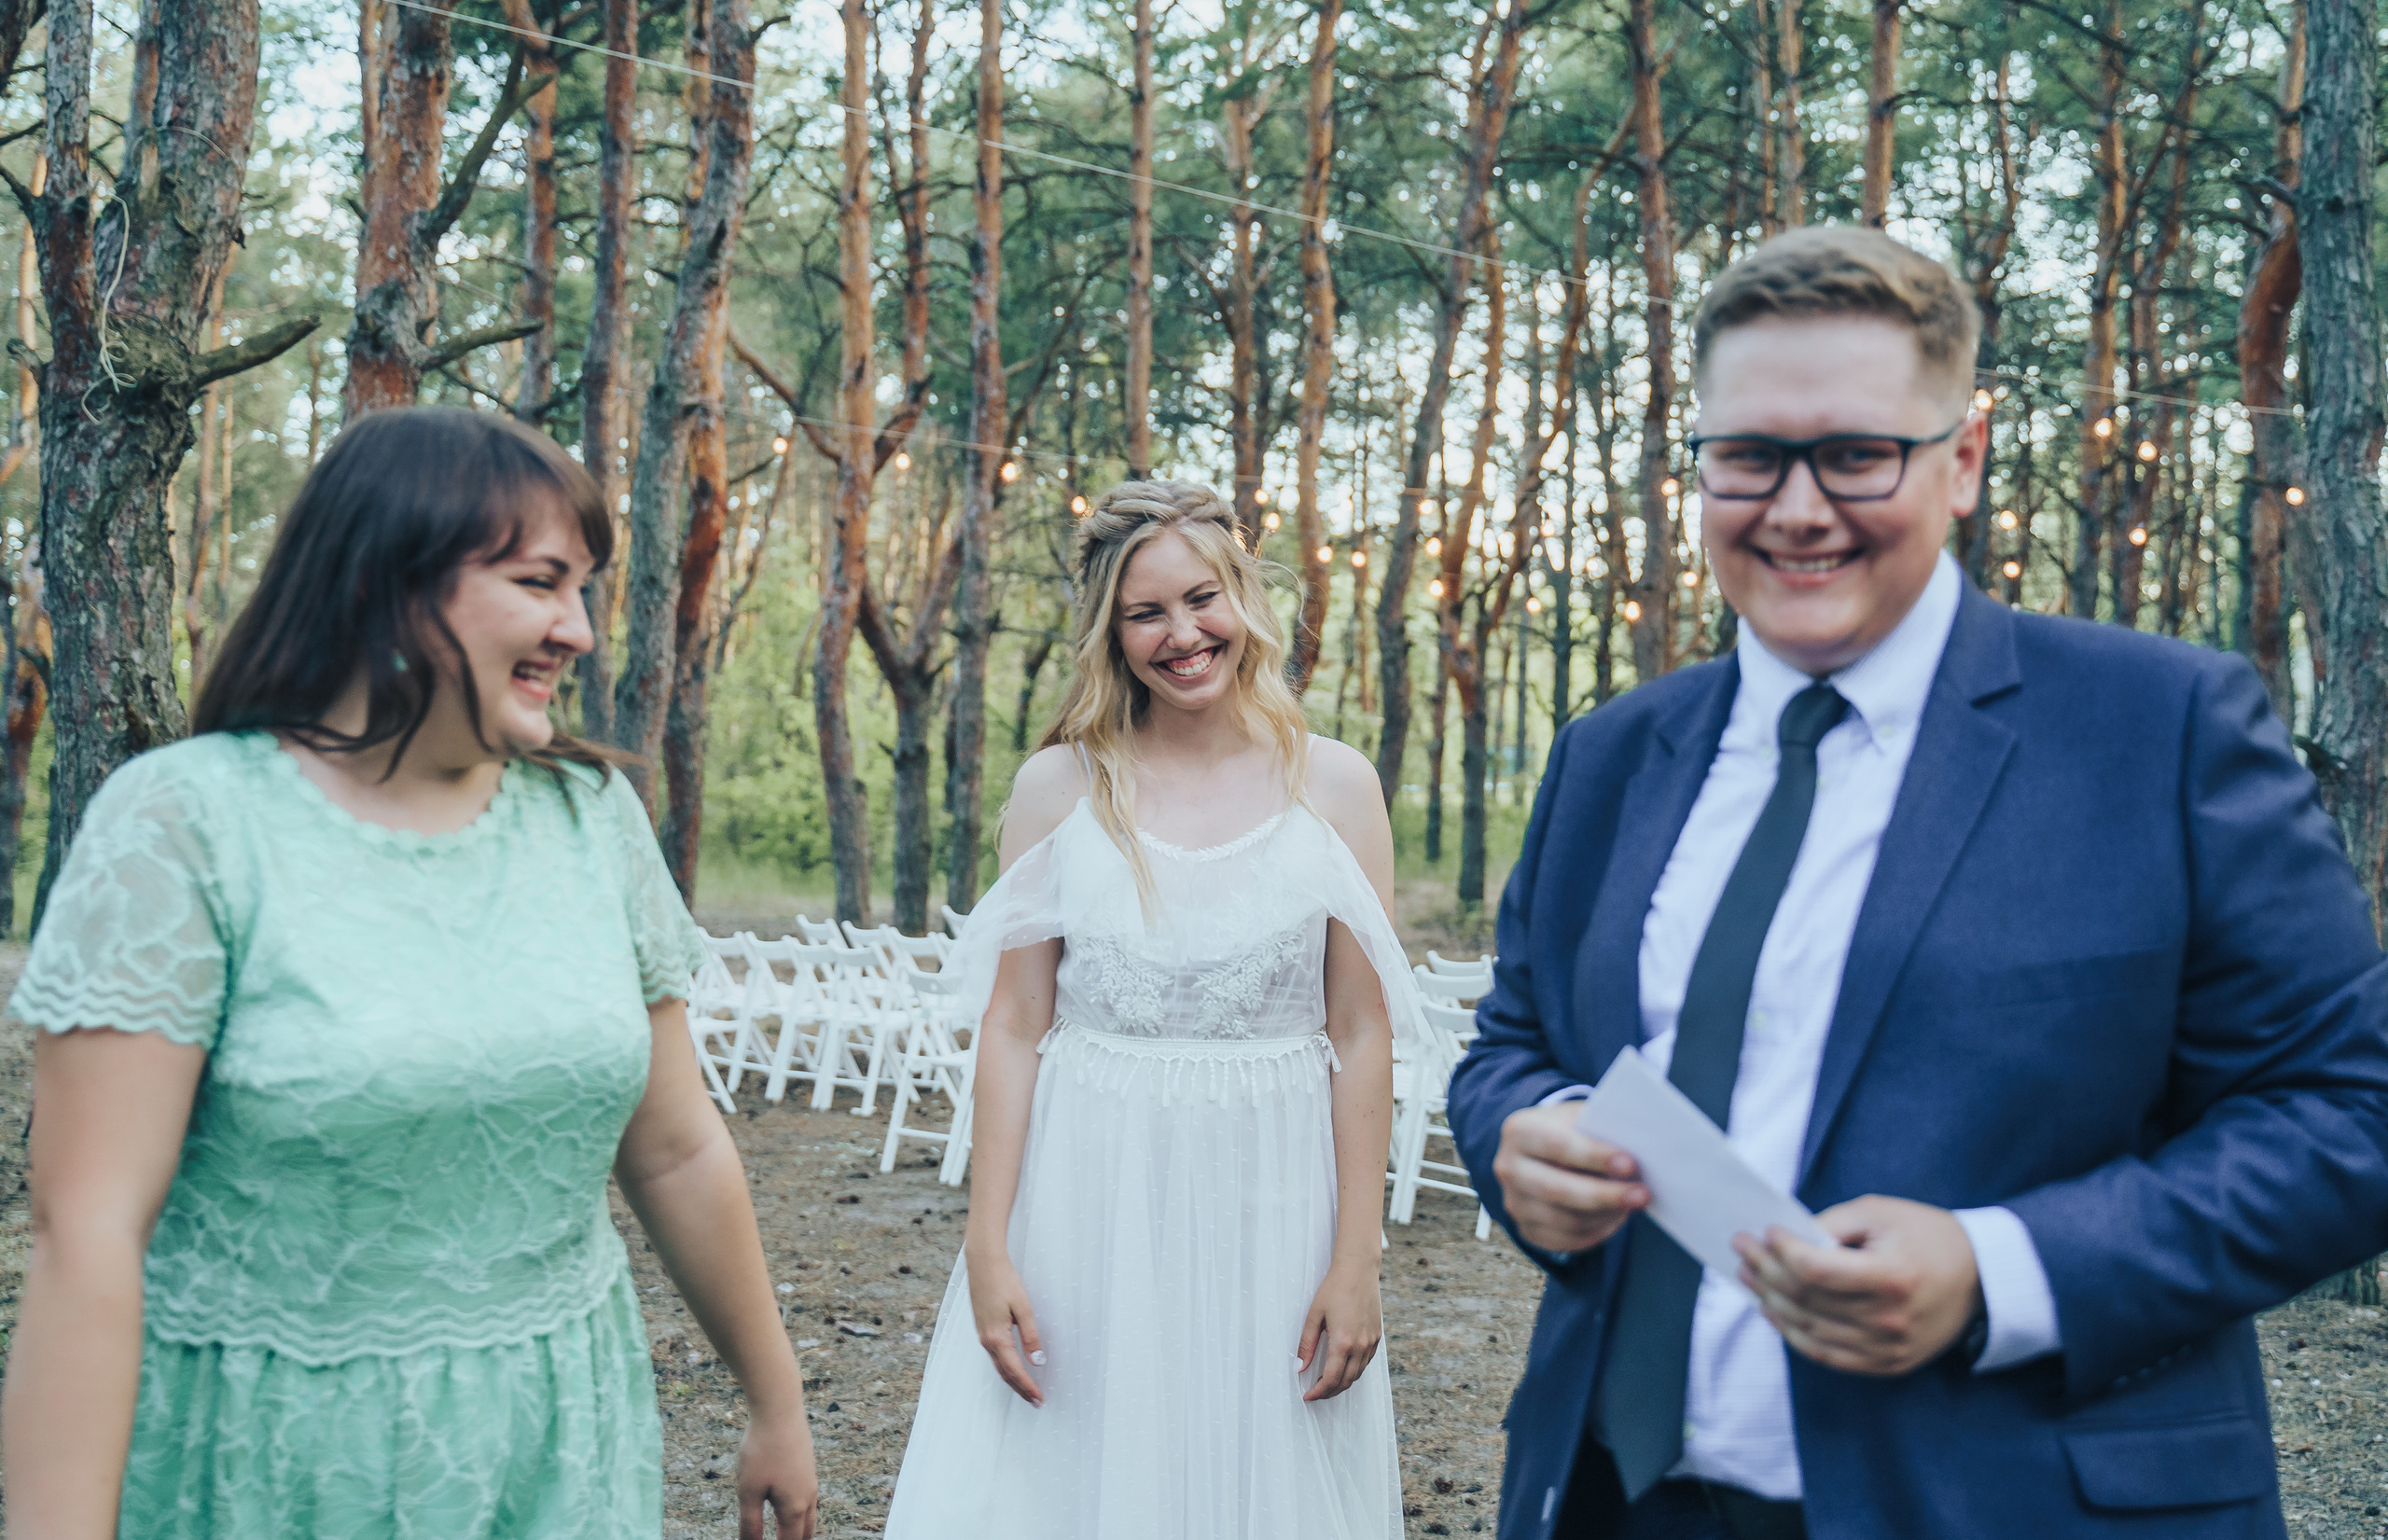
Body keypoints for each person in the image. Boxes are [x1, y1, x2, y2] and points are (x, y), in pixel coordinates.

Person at [1447, 225, 2388, 1540]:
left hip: (2007, 1495)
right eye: (1749, 456)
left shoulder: (2159, 726)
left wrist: (2002, 1269)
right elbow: (1515, 1041)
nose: (1796, 507)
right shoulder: (1611, 754)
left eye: (1854, 453)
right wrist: (1519, 1131)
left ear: (1964, 459)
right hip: (1619, 1491)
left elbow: (2350, 1113)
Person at [1, 408, 817, 1540]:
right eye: (540, 583)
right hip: (278, 1457)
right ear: (389, 579)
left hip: (557, 1444)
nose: (577, 631)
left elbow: (675, 1147)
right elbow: (86, 1237)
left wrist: (775, 1402)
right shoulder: (185, 826)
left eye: (583, 590)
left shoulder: (592, 819)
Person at [884, 479, 1424, 1540]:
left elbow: (1362, 1034)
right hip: (1088, 1195)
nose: (1183, 634)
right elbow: (1012, 1024)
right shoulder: (1058, 787)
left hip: (1274, 1203)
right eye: (1147, 612)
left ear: (1246, 598)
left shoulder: (1338, 787)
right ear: (1111, 632)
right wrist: (986, 1244)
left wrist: (1355, 1258)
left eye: (1203, 598)